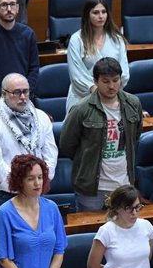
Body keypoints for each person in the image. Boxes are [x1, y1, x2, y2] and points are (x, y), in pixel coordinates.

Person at [60, 57, 143, 212]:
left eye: (115, 80)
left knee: (123, 231)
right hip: (91, 188)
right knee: (92, 233)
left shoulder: (133, 103)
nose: (111, 86)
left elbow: (135, 137)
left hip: (124, 183)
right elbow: (67, 145)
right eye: (105, 81)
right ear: (96, 81)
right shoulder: (81, 109)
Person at [0, 73, 57, 222]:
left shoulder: (41, 118)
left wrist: (40, 180)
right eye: (17, 92)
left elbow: (50, 153)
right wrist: (21, 186)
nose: (22, 97)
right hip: (2, 193)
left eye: (26, 91)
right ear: (4, 94)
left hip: (35, 190)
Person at [87, 185, 153, 268]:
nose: (134, 213)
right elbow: (92, 265)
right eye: (129, 208)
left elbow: (147, 257)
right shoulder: (106, 231)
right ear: (117, 208)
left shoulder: (146, 226)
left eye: (137, 207)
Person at [66, 0, 129, 113]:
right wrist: (97, 92)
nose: (101, 16)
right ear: (87, 15)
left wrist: (110, 90)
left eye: (104, 12)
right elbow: (76, 75)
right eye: (95, 12)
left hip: (111, 95)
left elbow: (124, 72)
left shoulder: (117, 39)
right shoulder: (77, 39)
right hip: (82, 98)